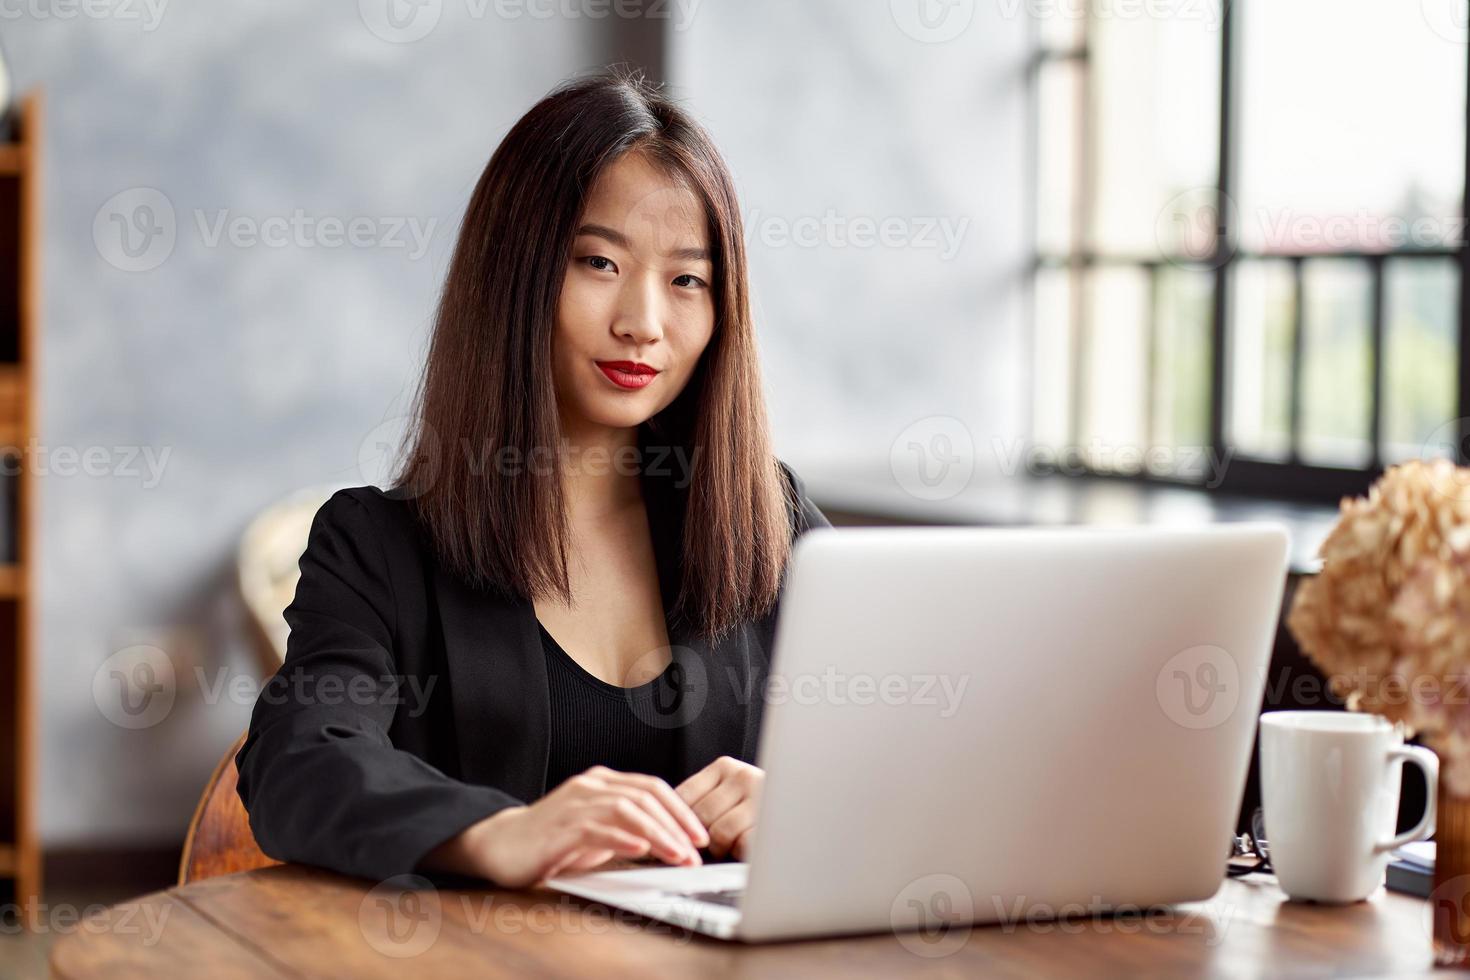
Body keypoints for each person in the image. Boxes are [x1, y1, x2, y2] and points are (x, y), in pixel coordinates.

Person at [235, 69, 830, 888]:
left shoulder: (774, 522)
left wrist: (804, 805)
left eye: (687, 280)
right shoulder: (377, 548)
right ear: (514, 277)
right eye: (597, 262)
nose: (643, 323)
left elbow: (914, 761)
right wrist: (495, 831)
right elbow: (298, 761)